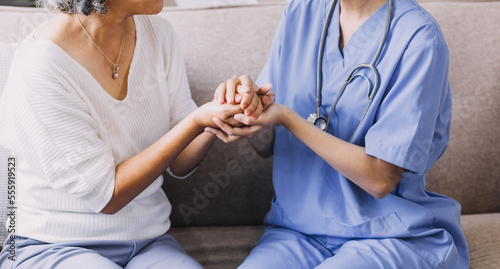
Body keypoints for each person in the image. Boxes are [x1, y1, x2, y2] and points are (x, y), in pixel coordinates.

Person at [0, 0, 272, 268]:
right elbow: (108, 195)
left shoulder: (159, 34)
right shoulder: (41, 66)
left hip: (148, 242)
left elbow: (179, 161)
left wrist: (217, 114)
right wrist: (194, 122)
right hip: (52, 245)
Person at [206, 0, 469, 268]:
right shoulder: (300, 12)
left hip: (388, 235)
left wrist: (289, 119)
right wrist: (247, 109)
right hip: (297, 232)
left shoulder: (418, 36)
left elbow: (381, 179)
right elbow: (266, 142)